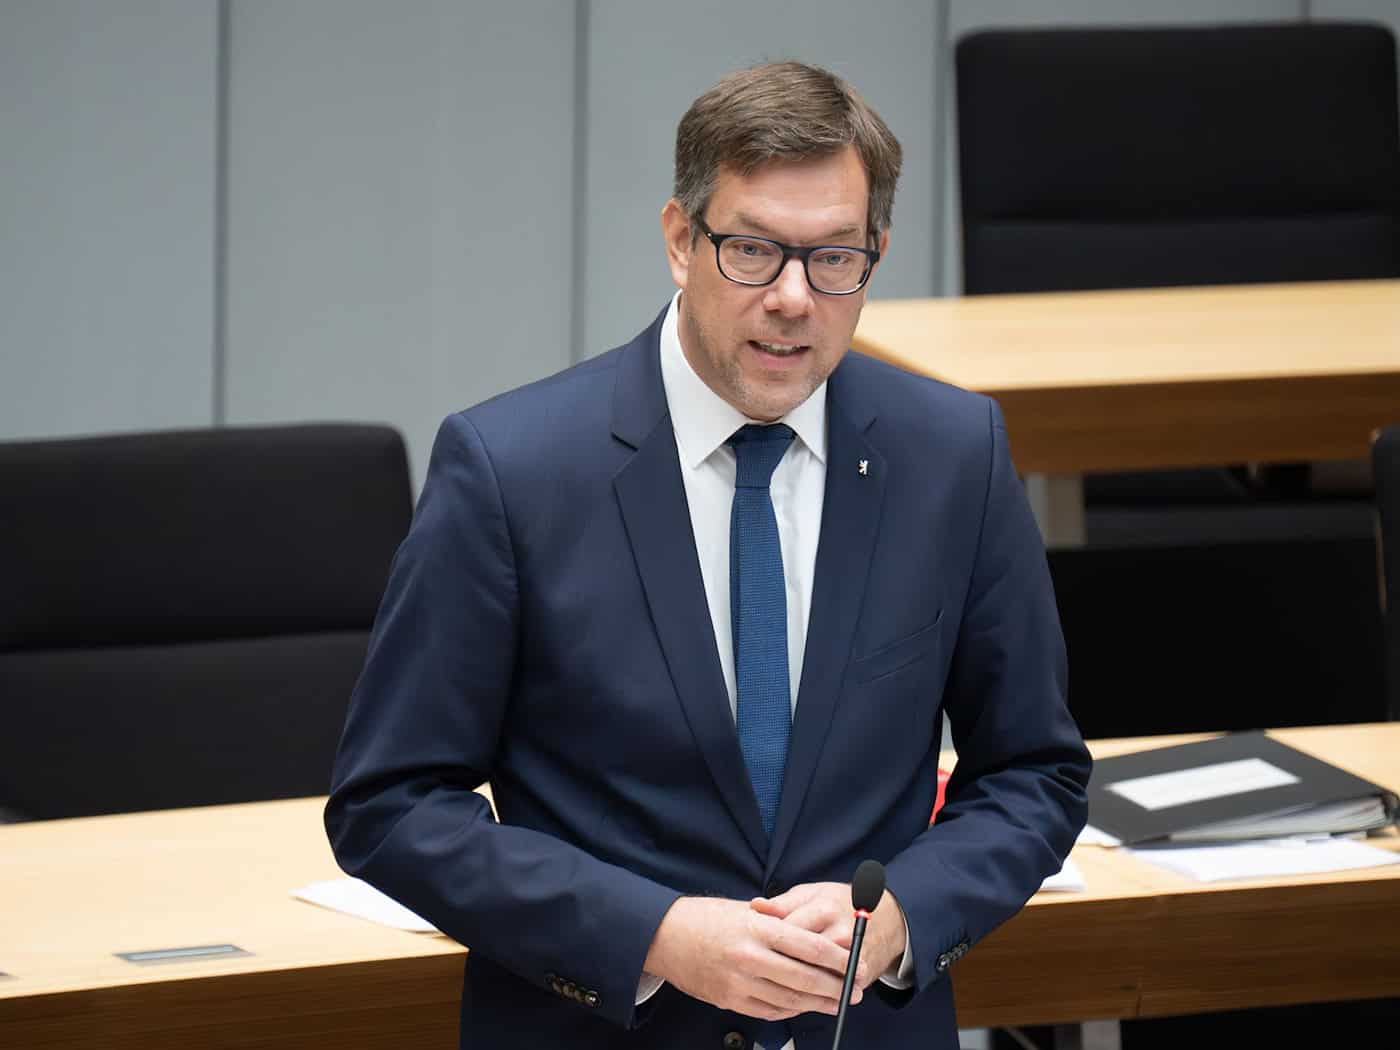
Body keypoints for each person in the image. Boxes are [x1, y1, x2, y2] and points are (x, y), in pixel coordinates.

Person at [325, 60, 1090, 1050]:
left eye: (831, 260)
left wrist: (904, 910)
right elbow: (391, 805)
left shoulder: (953, 456)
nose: (790, 297)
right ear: (680, 241)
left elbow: (1033, 773)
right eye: (751, 251)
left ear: (875, 255)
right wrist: (655, 935)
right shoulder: (511, 470)